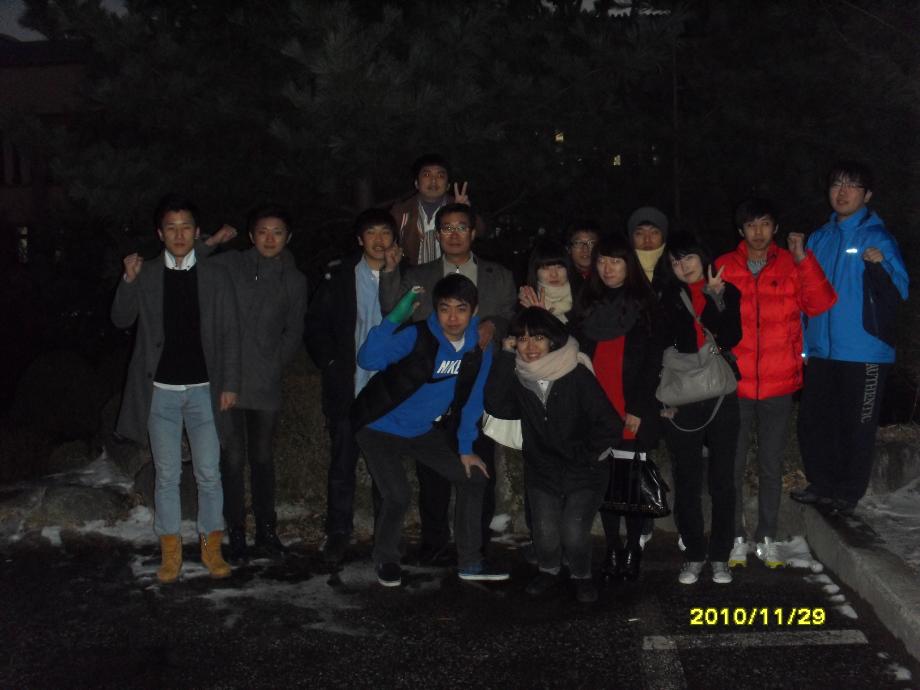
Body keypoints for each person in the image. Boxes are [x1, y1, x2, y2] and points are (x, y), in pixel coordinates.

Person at [111, 194, 239, 583]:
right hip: (160, 392)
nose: (179, 234)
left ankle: (211, 547)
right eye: (171, 227)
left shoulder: (215, 275)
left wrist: (230, 384)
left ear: (197, 232)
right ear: (160, 233)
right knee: (166, 475)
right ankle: (170, 551)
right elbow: (120, 319)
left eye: (186, 227)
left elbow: (230, 331)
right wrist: (128, 280)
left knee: (209, 473)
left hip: (205, 390)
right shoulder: (147, 273)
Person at [379, 202, 516, 564]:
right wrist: (391, 272)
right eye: (447, 228)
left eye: (461, 227)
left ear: (473, 232)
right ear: (437, 235)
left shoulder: (498, 275)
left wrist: (493, 325)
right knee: (431, 471)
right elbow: (393, 313)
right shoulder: (419, 275)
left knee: (479, 465)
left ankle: (477, 544)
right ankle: (434, 542)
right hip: (432, 387)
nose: (454, 235)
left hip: (478, 384)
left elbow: (510, 315)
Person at [352, 274, 508, 586]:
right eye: (445, 309)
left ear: (474, 311)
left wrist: (466, 449)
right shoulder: (417, 335)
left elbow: (473, 400)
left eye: (461, 309)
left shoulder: (478, 348)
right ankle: (386, 557)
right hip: (379, 425)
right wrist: (394, 318)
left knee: (474, 477)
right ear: (435, 310)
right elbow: (367, 359)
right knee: (397, 494)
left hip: (421, 430)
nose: (453, 317)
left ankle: (470, 561)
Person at [715, 198, 835, 569]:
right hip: (734, 384)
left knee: (771, 465)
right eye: (751, 225)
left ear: (776, 228)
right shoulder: (723, 265)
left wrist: (803, 259)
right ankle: (735, 536)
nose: (758, 232)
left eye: (765, 223)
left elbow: (820, 303)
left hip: (779, 383)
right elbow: (707, 320)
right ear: (740, 230)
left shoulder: (791, 263)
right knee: (731, 466)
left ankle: (767, 535)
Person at [793, 161, 909, 516]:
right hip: (821, 349)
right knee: (814, 421)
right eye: (836, 185)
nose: (842, 192)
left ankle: (847, 492)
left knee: (857, 425)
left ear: (867, 195)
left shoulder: (878, 238)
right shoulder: (819, 238)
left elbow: (900, 291)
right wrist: (804, 344)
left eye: (852, 186)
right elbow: (804, 292)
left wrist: (880, 265)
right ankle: (822, 483)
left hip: (865, 351)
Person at [485, 308, 622, 603]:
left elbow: (610, 424)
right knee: (545, 531)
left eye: (538, 338)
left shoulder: (575, 373)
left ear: (552, 340)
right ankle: (548, 570)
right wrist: (505, 356)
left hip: (585, 469)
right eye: (522, 339)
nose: (530, 346)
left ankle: (581, 575)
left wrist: (584, 455)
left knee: (573, 530)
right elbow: (496, 405)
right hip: (543, 468)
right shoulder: (520, 377)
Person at [201, 204, 308, 562]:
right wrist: (213, 241)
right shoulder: (232, 264)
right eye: (262, 231)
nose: (269, 239)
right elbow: (195, 263)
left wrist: (274, 363)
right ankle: (236, 532)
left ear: (288, 237)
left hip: (266, 381)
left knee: (262, 457)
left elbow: (294, 329)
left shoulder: (294, 279)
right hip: (227, 378)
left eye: (277, 232)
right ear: (251, 235)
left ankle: (266, 531)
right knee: (232, 458)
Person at [570, 236, 664, 582]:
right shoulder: (587, 301)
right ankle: (612, 546)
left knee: (631, 483)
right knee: (605, 482)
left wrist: (638, 408)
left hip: (631, 404)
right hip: (596, 404)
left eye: (616, 261)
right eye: (602, 261)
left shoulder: (645, 305)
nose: (607, 268)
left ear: (629, 265)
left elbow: (653, 362)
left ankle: (634, 548)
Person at [304, 209, 395, 564]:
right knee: (342, 464)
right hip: (348, 385)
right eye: (371, 233)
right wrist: (329, 362)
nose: (379, 240)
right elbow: (315, 324)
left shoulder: (404, 277)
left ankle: (386, 536)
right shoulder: (340, 276)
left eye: (385, 232)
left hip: (387, 389)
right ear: (360, 239)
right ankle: (338, 532)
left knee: (385, 469)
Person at [659, 236, 742, 585]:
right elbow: (666, 344)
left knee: (723, 479)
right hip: (682, 394)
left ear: (702, 257)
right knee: (687, 479)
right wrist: (663, 401)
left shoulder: (727, 290)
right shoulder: (666, 296)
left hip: (720, 394)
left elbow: (730, 337)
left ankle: (720, 555)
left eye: (688, 258)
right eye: (676, 262)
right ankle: (694, 554)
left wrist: (714, 298)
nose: (684, 267)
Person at [389, 153, 474, 266]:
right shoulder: (400, 212)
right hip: (413, 275)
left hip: (451, 272)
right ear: (416, 183)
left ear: (448, 185)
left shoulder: (457, 206)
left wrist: (466, 212)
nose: (433, 180)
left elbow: (481, 232)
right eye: (427, 174)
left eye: (440, 176)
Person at [518, 240, 575, 323]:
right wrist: (538, 315)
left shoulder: (581, 294)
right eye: (545, 268)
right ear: (535, 271)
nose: (554, 274)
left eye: (559, 267)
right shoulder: (527, 299)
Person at [627, 206, 670, 294]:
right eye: (639, 233)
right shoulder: (620, 274)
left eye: (654, 232)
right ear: (631, 239)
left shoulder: (677, 269)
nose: (647, 240)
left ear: (663, 237)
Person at [565, 221, 601, 296]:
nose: (585, 249)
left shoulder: (607, 276)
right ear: (569, 249)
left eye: (591, 243)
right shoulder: (560, 277)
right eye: (578, 243)